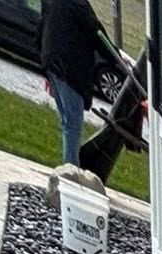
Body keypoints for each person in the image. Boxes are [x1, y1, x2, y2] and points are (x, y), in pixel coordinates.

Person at [40, 0, 113, 166]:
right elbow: (96, 34)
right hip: (69, 70)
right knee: (72, 124)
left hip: (52, 63)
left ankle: (70, 167)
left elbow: (41, 29)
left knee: (67, 122)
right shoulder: (78, 4)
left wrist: (45, 70)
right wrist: (115, 58)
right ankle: (71, 170)